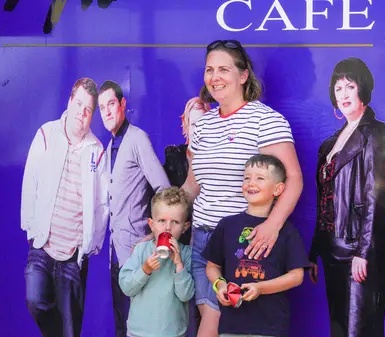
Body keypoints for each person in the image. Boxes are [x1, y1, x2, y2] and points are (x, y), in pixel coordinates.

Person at [182, 39, 304, 337]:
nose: (215, 77)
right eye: (209, 70)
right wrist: (164, 224)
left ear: (243, 75)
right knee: (212, 322)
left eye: (224, 69)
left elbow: (293, 179)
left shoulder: (265, 120)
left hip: (241, 245)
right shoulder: (204, 125)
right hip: (203, 244)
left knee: (213, 328)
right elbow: (191, 186)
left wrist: (272, 226)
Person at [308, 57, 385, 337]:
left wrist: (363, 251)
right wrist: (314, 251)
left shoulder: (376, 132)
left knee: (360, 332)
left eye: (350, 86)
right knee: (339, 329)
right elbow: (324, 201)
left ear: (363, 89)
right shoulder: (330, 143)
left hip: (360, 251)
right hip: (332, 249)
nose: (343, 94)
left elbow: (377, 196)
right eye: (338, 88)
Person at [21, 78, 108, 337]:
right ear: (70, 101)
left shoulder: (97, 150)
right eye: (79, 104)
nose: (82, 112)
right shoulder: (46, 134)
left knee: (72, 328)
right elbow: (31, 179)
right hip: (43, 244)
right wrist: (30, 225)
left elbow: (102, 202)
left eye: (88, 109)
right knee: (34, 301)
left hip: (73, 253)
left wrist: (93, 242)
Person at [203, 154, 308, 337]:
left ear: (278, 189)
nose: (251, 183)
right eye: (246, 178)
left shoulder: (287, 231)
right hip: (231, 325)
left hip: (270, 326)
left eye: (260, 178)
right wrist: (220, 286)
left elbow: (297, 276)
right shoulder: (227, 225)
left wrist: (260, 288)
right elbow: (212, 267)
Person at [97, 80, 171, 337]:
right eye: (101, 107)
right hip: (115, 254)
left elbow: (163, 188)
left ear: (123, 104)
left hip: (137, 254)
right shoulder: (108, 149)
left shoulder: (137, 138)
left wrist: (153, 235)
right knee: (121, 324)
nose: (106, 111)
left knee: (138, 325)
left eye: (111, 104)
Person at [119, 186, 195, 337]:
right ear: (151, 224)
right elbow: (126, 287)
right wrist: (145, 269)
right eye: (161, 221)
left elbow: (186, 295)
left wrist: (179, 265)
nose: (168, 227)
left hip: (173, 333)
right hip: (139, 333)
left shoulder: (186, 254)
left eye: (175, 222)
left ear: (185, 227)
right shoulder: (141, 250)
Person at [164, 96, 210, 247]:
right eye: (194, 124)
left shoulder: (217, 159)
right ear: (187, 125)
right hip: (180, 236)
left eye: (203, 124)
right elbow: (171, 199)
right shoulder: (174, 157)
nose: (198, 131)